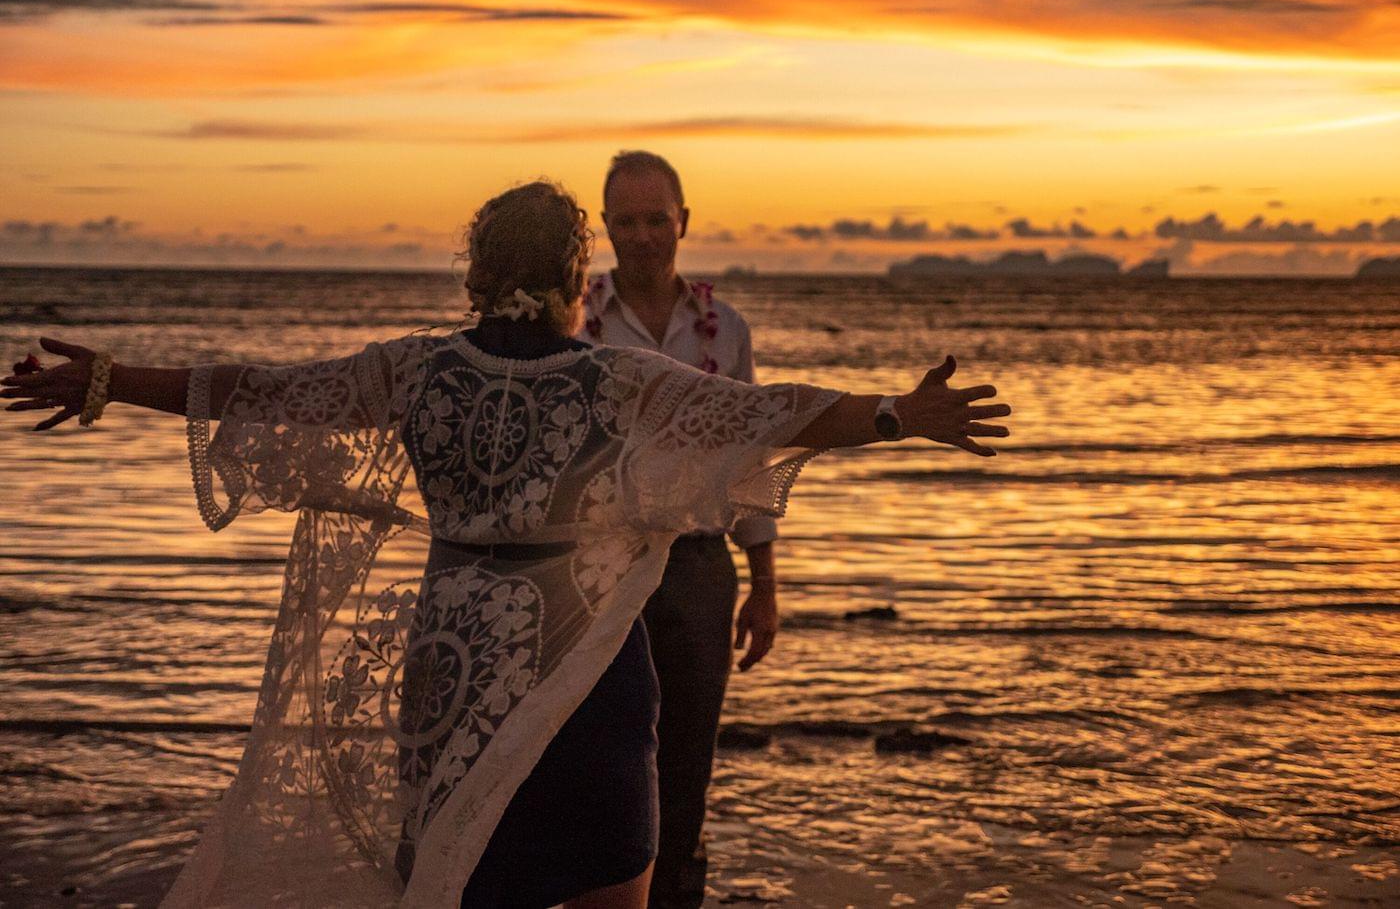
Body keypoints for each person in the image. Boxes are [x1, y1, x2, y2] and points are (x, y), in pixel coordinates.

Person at [2, 180, 1010, 909]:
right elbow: (769, 416)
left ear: (477, 276)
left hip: (454, 663)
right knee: (611, 883)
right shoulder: (618, 379)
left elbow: (260, 389)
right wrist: (898, 414)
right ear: (579, 275)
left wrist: (110, 380)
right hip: (585, 668)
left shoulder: (414, 370)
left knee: (460, 874)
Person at [580, 150, 779, 908]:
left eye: (656, 218)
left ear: (683, 221)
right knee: (599, 757)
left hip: (698, 569)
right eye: (625, 221)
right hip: (598, 572)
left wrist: (764, 587)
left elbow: (750, 459)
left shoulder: (724, 330)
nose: (642, 235)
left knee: (687, 760)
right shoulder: (576, 320)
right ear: (606, 228)